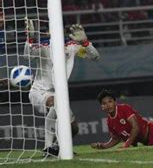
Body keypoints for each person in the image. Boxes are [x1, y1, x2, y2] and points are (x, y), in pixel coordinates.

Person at [25, 21, 100, 156]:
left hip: (59, 93)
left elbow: (95, 56)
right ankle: (48, 148)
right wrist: (30, 39)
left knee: (73, 129)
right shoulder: (43, 46)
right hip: (39, 92)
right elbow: (27, 55)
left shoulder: (72, 47)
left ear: (64, 32)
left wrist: (85, 42)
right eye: (51, 30)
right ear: (47, 33)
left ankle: (58, 147)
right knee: (55, 104)